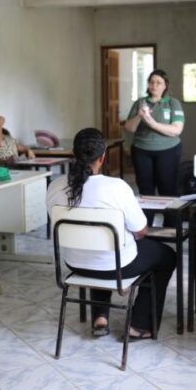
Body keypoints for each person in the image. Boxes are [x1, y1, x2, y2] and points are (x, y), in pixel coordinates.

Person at [47, 128, 175, 339]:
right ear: (103, 156)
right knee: (166, 256)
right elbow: (141, 230)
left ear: (73, 153)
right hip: (114, 266)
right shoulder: (117, 187)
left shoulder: (55, 185)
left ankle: (100, 318)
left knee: (100, 250)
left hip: (75, 264)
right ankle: (139, 325)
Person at [123, 69, 185, 224]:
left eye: (158, 82)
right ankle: (145, 225)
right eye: (151, 82)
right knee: (145, 191)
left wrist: (153, 123)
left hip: (168, 151)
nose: (154, 86)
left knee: (168, 190)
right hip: (141, 151)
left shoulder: (172, 103)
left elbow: (176, 130)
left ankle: (170, 226)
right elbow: (129, 128)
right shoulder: (140, 103)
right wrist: (140, 115)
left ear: (165, 86)